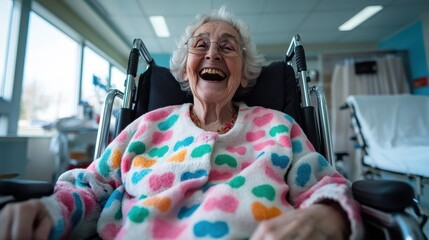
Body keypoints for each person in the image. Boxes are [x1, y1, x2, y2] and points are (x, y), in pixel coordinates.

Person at [0, 7, 363, 240]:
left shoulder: (278, 127)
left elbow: (326, 186)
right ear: (186, 69)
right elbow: (89, 188)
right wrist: (48, 209)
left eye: (227, 46)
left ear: (245, 71)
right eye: (200, 44)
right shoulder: (147, 127)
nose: (213, 53)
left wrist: (327, 217)